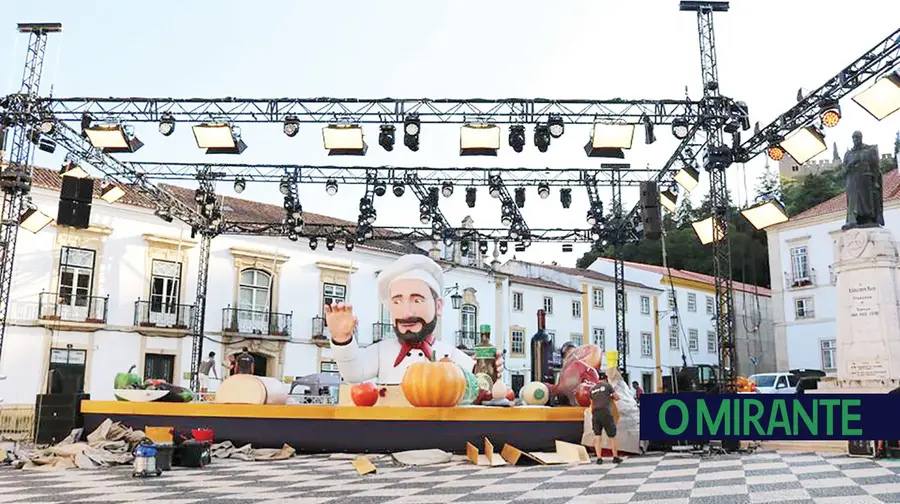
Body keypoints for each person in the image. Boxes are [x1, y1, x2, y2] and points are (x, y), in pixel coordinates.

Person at [326, 254, 503, 384]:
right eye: (397, 301)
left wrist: (489, 368)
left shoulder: (451, 355)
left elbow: (482, 383)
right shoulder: (381, 352)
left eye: (417, 300)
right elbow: (353, 373)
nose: (406, 312)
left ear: (438, 306)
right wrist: (342, 339)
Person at [590, 371, 622, 464]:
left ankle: (599, 458)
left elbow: (592, 404)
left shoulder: (592, 389)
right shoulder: (607, 386)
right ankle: (615, 457)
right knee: (612, 436)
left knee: (597, 436)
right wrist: (610, 396)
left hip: (595, 414)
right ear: (605, 378)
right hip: (606, 413)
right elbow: (617, 397)